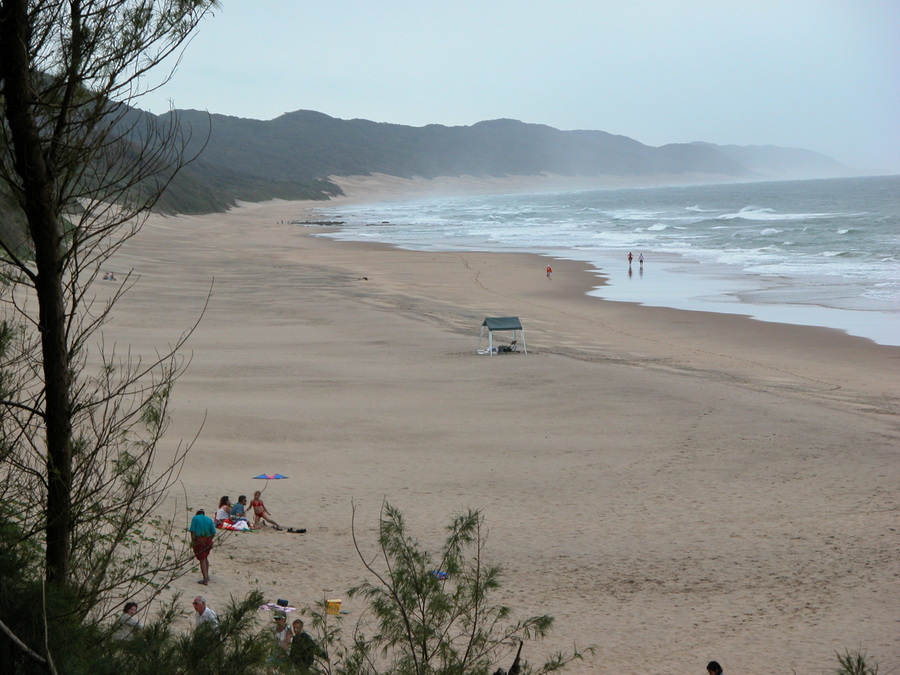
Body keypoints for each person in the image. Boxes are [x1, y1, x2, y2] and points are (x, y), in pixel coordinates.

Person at [189, 507, 216, 584]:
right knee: (205, 557)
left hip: (199, 539)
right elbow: (213, 532)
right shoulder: (209, 519)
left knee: (202, 559)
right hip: (208, 540)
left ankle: (205, 579)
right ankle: (207, 576)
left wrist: (193, 541)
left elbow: (192, 531)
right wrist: (210, 539)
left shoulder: (195, 518)